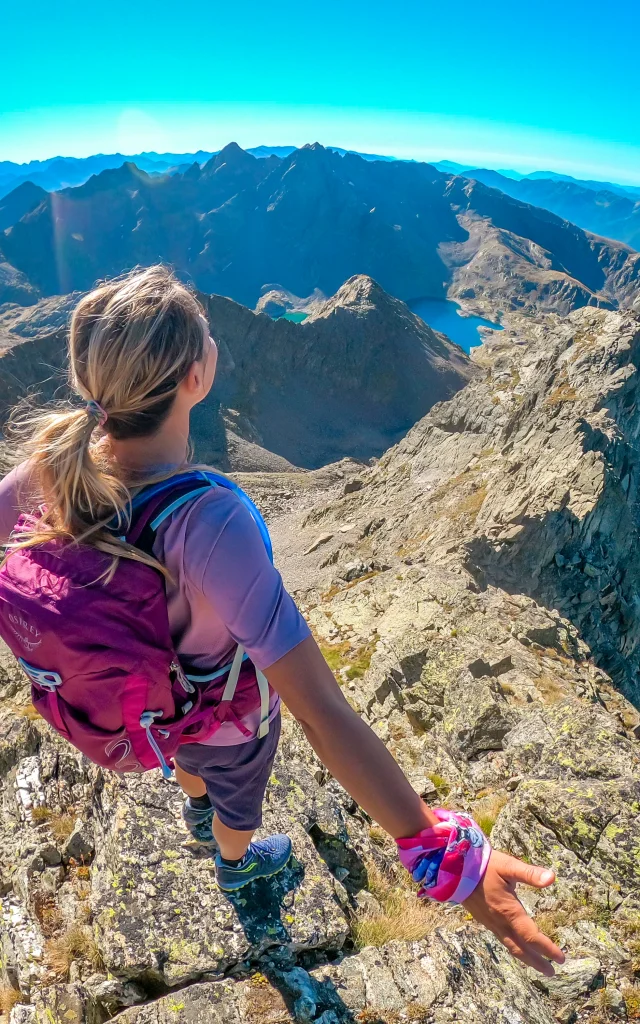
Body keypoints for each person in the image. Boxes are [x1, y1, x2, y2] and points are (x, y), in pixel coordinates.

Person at [0, 266, 564, 977]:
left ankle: (196, 807)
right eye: (206, 338)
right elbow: (323, 712)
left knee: (190, 761)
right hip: (227, 719)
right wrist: (442, 854)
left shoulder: (51, 462)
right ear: (193, 377)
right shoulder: (211, 520)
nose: (214, 343)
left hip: (152, 704)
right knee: (239, 794)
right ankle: (236, 862)